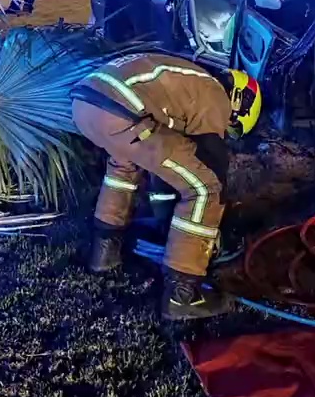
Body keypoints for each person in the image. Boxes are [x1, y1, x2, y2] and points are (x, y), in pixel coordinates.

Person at [70, 53, 262, 320]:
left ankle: (104, 255)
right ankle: (182, 296)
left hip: (86, 104)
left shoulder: (188, 81)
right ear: (240, 104)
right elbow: (213, 167)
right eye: (231, 126)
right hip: (124, 109)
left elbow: (167, 165)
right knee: (206, 188)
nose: (224, 130)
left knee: (124, 169)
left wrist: (165, 219)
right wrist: (209, 231)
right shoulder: (216, 95)